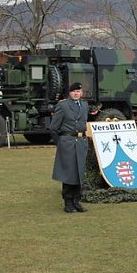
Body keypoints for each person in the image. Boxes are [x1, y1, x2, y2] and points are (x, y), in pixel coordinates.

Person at [50, 82, 90, 213]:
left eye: (78, 91)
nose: (76, 93)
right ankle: (68, 202)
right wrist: (61, 142)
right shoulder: (63, 105)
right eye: (73, 92)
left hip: (81, 141)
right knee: (68, 173)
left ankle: (77, 201)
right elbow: (54, 128)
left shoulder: (84, 105)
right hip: (68, 141)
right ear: (70, 93)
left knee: (79, 172)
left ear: (81, 93)